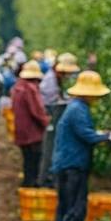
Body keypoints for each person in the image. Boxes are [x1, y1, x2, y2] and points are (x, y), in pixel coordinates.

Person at [50, 71, 111, 221]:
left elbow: (83, 132)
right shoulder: (78, 109)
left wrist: (101, 134)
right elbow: (87, 135)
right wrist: (108, 136)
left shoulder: (76, 107)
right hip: (73, 164)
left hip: (67, 161)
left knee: (66, 202)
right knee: (74, 205)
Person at [37, 51, 80, 187]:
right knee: (50, 148)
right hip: (51, 115)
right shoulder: (50, 80)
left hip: (53, 114)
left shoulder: (56, 79)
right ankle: (45, 179)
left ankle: (49, 178)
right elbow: (51, 101)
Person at [11, 60, 49, 187]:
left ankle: (27, 184)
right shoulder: (30, 88)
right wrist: (47, 122)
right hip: (32, 133)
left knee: (27, 161)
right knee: (33, 162)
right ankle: (30, 186)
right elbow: (37, 111)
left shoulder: (17, 87)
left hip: (21, 130)